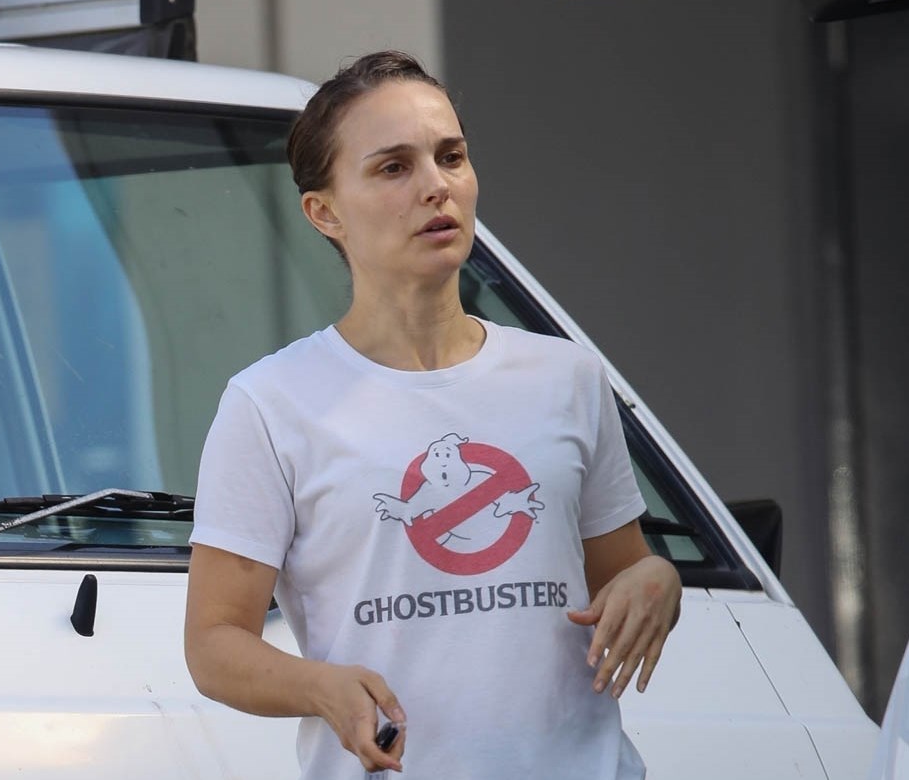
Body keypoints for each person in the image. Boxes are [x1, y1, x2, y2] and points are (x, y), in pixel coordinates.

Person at [184, 50, 682, 779]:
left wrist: (659, 580)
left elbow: (624, 570)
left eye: (450, 157)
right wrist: (319, 688)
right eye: (394, 167)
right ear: (324, 212)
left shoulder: (566, 376)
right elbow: (213, 644)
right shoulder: (271, 402)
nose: (436, 186)